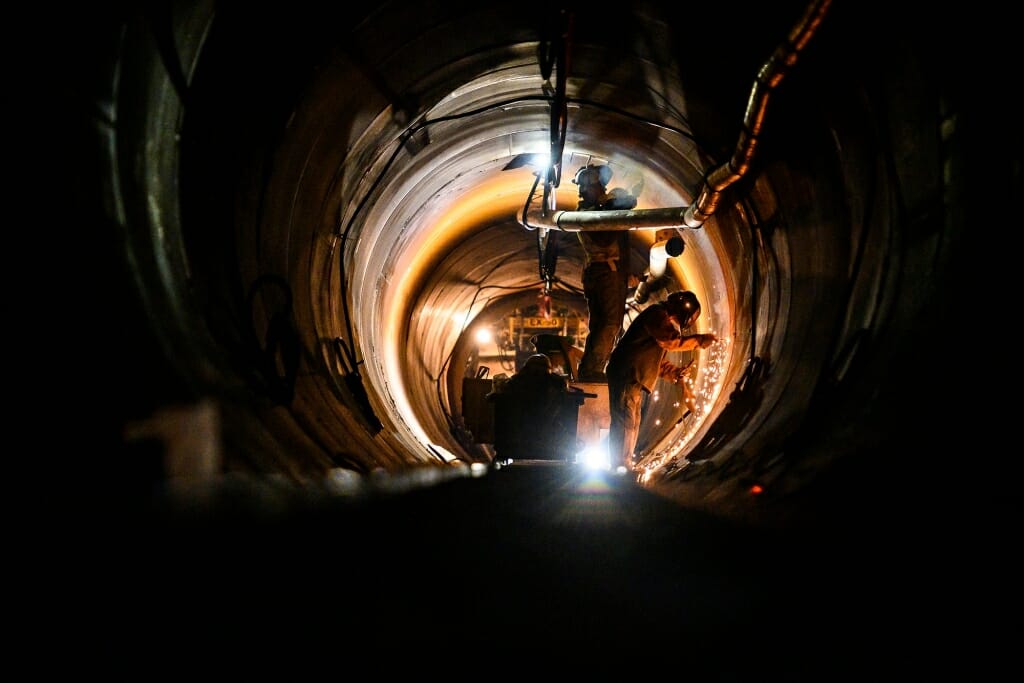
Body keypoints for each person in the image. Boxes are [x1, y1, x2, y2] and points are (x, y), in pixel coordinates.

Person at [605, 290, 717, 472]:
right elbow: (672, 343)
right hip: (626, 374)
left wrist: (676, 373)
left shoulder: (659, 322)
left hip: (632, 376)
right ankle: (620, 467)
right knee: (625, 421)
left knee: (632, 421)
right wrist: (700, 340)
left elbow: (657, 362)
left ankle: (624, 465)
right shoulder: (657, 314)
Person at [572, 164, 638, 382]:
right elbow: (606, 238)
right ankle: (592, 370)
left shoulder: (593, 210)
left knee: (601, 324)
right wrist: (617, 207)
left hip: (604, 273)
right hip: (605, 274)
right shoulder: (588, 214)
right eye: (595, 187)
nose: (599, 190)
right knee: (610, 323)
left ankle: (590, 369)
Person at [488, 353, 577, 463]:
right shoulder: (558, 384)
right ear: (549, 369)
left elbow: (497, 399)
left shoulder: (514, 383)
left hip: (515, 444)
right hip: (553, 444)